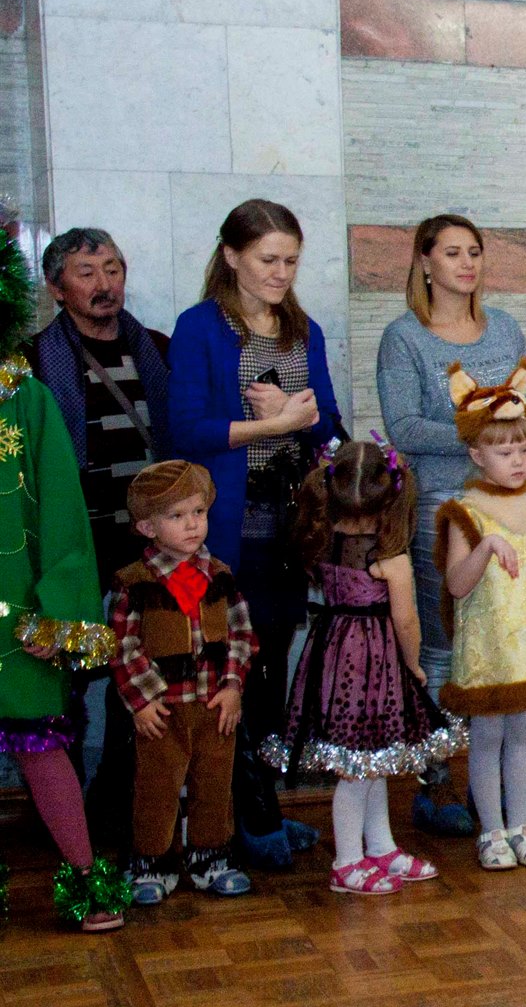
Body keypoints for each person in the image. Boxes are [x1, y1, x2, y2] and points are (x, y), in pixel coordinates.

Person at [168, 199, 339, 868]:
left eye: (291, 260)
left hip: (288, 527)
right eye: (268, 259)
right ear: (232, 255)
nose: (281, 272)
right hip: (226, 528)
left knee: (270, 670)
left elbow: (327, 423)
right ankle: (239, 817)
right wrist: (274, 423)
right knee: (227, 669)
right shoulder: (200, 327)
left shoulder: (304, 329)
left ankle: (261, 803)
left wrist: (302, 419)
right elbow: (186, 431)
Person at [375, 213, 526, 836]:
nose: (466, 263)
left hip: (512, 499)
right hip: (445, 501)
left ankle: (501, 784)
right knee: (447, 645)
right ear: (425, 262)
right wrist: (484, 428)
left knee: (511, 635)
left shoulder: (504, 327)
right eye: (452, 253)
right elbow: (404, 428)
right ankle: (437, 779)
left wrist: (513, 431)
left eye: (474, 251)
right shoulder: (405, 337)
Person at [0, 223, 128, 931]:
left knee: (42, 744)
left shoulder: (24, 397)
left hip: (16, 607)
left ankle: (84, 879)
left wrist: (59, 611)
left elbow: (61, 516)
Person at [266, 440, 464, 895]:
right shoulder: (391, 558)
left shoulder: (323, 541)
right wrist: (413, 665)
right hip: (374, 662)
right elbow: (407, 621)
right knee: (358, 770)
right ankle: (347, 861)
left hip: (333, 655)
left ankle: (381, 846)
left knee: (373, 760)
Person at [29, 227, 172, 855]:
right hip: (74, 553)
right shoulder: (33, 363)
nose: (104, 283)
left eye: (112, 268)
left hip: (149, 552)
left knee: (136, 683)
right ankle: (64, 823)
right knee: (67, 682)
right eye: (86, 272)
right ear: (57, 287)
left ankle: (117, 817)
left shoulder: (157, 350)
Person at [435, 359, 526, 870]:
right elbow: (457, 585)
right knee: (487, 737)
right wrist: (485, 547)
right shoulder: (466, 511)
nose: (518, 461)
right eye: (504, 453)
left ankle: (520, 827)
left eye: (523, 449)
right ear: (477, 454)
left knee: (523, 737)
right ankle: (491, 831)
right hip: (487, 649)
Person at [108, 461, 255, 904]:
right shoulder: (134, 582)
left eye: (198, 512)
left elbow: (241, 634)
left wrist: (233, 687)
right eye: (177, 516)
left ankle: (211, 857)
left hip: (214, 706)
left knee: (215, 783)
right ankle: (153, 862)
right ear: (147, 526)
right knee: (157, 786)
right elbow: (123, 646)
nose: (192, 524)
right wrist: (142, 701)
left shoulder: (220, 575)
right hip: (163, 711)